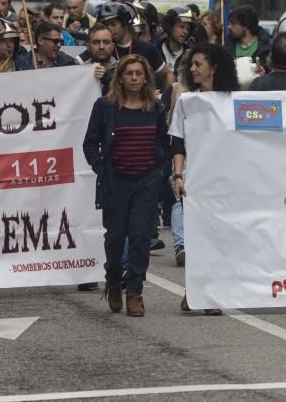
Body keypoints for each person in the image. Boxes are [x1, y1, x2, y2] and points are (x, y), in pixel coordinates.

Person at [83, 55, 170, 317]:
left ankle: (135, 291)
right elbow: (90, 143)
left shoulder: (155, 107)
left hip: (146, 181)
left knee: (141, 237)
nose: (134, 78)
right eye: (129, 73)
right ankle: (112, 280)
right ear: (120, 77)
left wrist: (160, 173)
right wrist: (102, 168)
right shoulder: (105, 106)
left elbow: (163, 143)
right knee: (115, 237)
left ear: (146, 78)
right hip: (116, 181)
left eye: (139, 73)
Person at [169, 44, 238, 315]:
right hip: (195, 182)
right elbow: (177, 141)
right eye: (192, 64)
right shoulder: (187, 102)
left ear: (214, 68)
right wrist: (177, 175)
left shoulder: (235, 102)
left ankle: (204, 292)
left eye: (198, 64)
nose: (193, 69)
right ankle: (203, 293)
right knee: (199, 239)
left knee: (221, 239)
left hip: (227, 182)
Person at [98, 2, 170, 86]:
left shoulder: (147, 48)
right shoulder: (102, 49)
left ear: (125, 24)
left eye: (113, 24)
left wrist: (165, 95)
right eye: (106, 26)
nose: (109, 29)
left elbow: (167, 74)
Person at [225, 5, 271, 72]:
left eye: (233, 23)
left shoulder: (266, 48)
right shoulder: (228, 46)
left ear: (245, 25)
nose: (229, 27)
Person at [80, 24, 118, 94]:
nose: (101, 47)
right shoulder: (79, 72)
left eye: (106, 42)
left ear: (112, 46)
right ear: (88, 46)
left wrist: (107, 80)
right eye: (96, 42)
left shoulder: (123, 70)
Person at [159, 7, 197, 74]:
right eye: (181, 27)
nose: (185, 32)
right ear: (170, 27)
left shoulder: (190, 55)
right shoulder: (155, 50)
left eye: (188, 29)